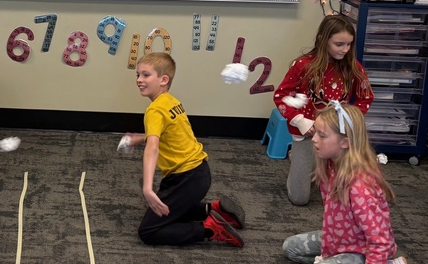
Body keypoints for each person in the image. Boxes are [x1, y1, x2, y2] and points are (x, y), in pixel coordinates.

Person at [282, 103, 409, 264]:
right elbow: (331, 216)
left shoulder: (360, 186)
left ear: (345, 143)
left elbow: (380, 241)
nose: (313, 139)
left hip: (364, 250)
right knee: (291, 247)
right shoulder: (331, 164)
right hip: (342, 239)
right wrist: (328, 253)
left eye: (322, 136)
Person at [122, 52, 246, 248]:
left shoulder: (154, 110)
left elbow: (153, 148)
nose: (139, 80)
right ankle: (213, 209)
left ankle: (210, 229)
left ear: (164, 79)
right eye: (138, 75)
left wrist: (146, 188)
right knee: (166, 208)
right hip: (199, 173)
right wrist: (140, 137)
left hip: (185, 179)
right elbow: (172, 133)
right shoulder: (171, 101)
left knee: (148, 231)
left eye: (146, 75)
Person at [274, 14, 373, 206]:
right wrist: (300, 121)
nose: (345, 50)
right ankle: (299, 160)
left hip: (339, 136)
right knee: (299, 198)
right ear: (322, 39)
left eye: (349, 44)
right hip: (307, 134)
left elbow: (366, 97)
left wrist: (348, 121)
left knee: (343, 197)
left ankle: (319, 168)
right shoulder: (303, 65)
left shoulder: (353, 67)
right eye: (339, 44)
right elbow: (281, 97)